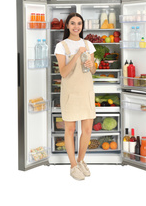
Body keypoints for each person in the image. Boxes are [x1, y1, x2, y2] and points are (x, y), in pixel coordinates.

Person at [54, 13, 96, 180]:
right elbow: (63, 73)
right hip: (70, 93)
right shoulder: (61, 46)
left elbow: (93, 71)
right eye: (73, 23)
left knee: (87, 130)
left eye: (79, 23)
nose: (76, 26)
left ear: (82, 26)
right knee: (70, 130)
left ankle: (80, 161)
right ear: (67, 25)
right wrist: (77, 55)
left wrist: (92, 65)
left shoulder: (88, 44)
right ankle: (72, 166)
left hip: (86, 91)